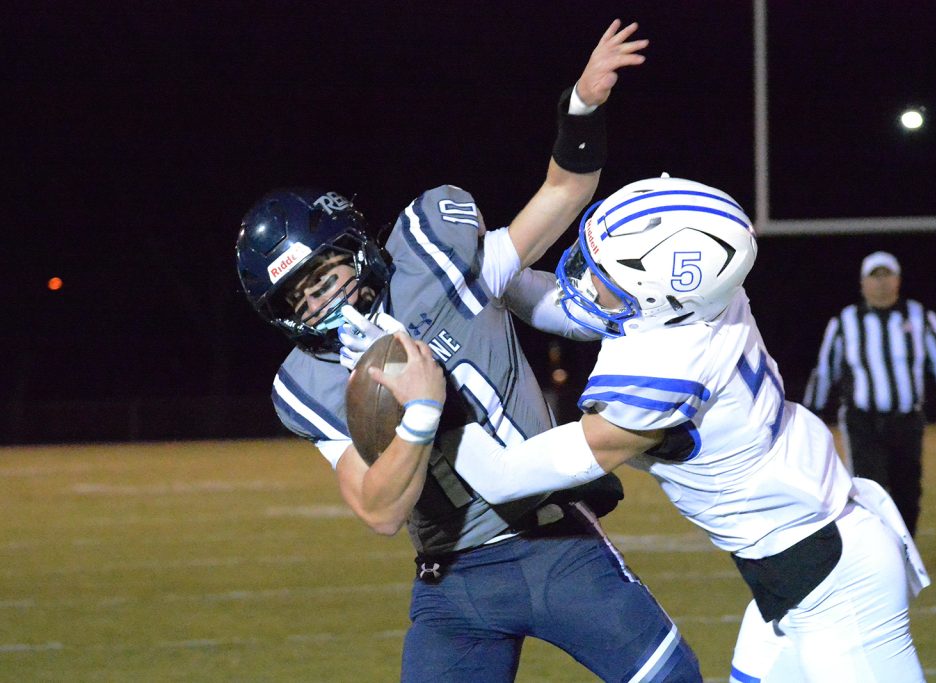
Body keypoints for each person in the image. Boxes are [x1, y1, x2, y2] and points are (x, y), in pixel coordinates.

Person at [235, 21, 702, 682]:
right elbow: (379, 509)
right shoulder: (306, 381)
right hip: (454, 583)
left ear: (356, 246)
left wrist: (582, 106)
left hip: (558, 545)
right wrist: (420, 414)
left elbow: (563, 193)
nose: (321, 302)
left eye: (324, 274)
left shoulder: (434, 255)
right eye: (298, 298)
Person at [451, 175, 930, 682]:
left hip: (834, 584)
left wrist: (421, 400)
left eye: (605, 278)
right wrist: (488, 267)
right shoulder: (703, 303)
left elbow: (502, 476)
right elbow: (567, 307)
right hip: (802, 568)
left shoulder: (668, 371)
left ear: (662, 295)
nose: (587, 283)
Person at [803, 250, 936, 536]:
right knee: (870, 487)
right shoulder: (845, 321)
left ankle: (905, 549)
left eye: (886, 275)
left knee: (908, 490)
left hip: (907, 419)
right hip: (862, 421)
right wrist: (811, 413)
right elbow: (825, 369)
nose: (881, 283)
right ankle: (879, 553)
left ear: (898, 280)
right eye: (874, 276)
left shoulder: (918, 317)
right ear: (862, 283)